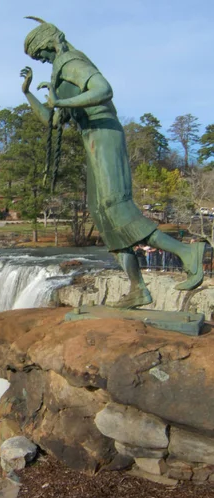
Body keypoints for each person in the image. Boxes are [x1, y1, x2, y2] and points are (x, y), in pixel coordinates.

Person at [21, 17, 204, 308]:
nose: (41, 60)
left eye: (39, 54)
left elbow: (104, 90)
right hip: (90, 140)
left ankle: (186, 252)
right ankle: (138, 289)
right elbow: (52, 121)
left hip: (104, 135)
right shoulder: (59, 73)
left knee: (117, 209)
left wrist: (63, 102)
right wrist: (28, 92)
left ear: (47, 44)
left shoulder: (70, 61)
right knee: (103, 217)